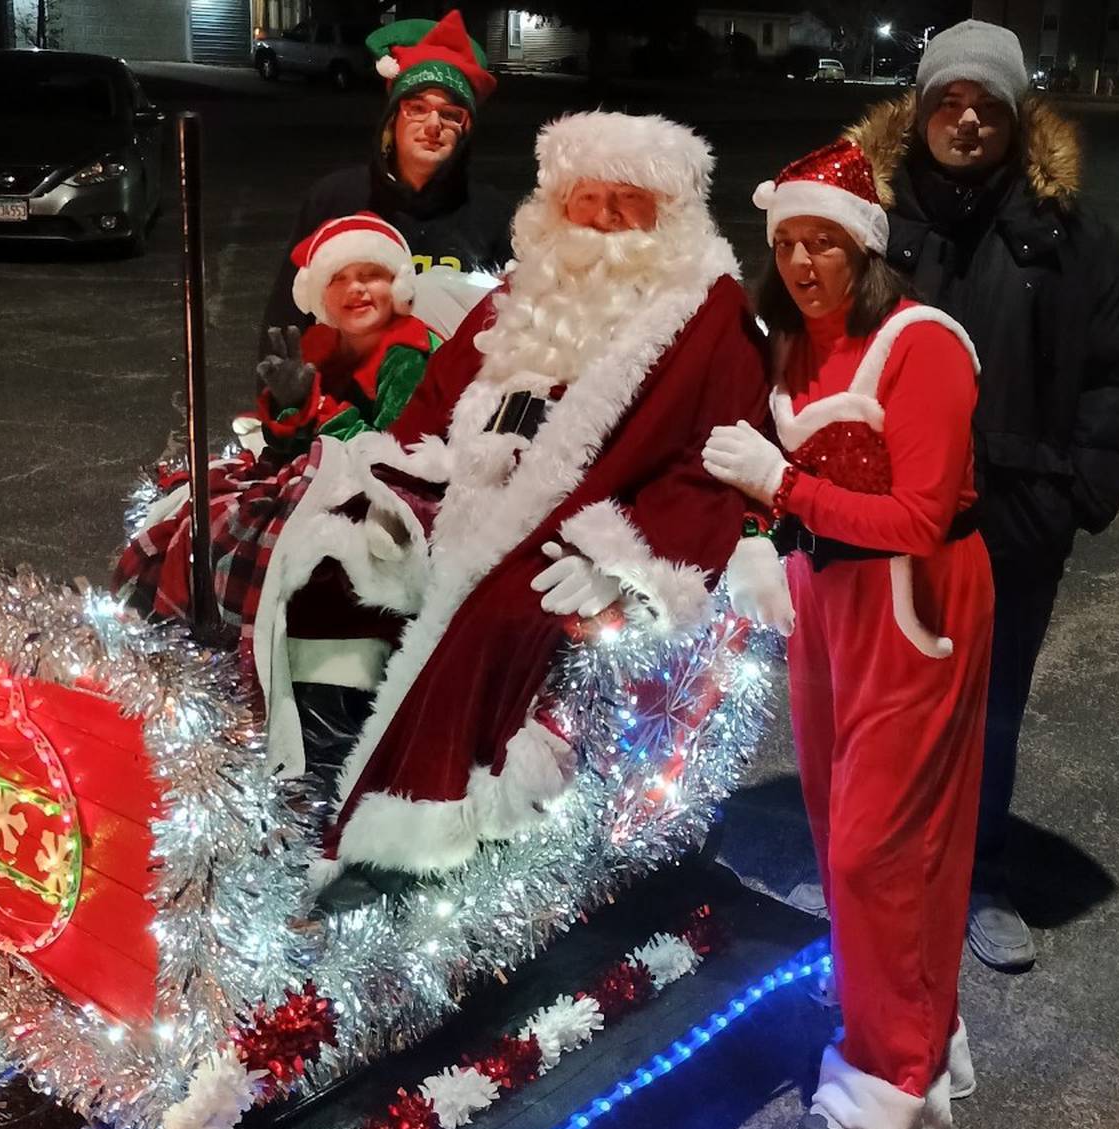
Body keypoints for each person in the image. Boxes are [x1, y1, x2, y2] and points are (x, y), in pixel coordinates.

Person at [303, 111, 770, 883]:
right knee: (325, 559)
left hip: (568, 533)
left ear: (671, 215)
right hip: (463, 501)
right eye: (589, 198)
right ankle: (308, 777)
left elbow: (712, 464)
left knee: (502, 618)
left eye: (632, 199)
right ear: (558, 205)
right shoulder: (526, 290)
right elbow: (433, 403)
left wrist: (626, 556)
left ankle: (418, 845)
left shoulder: (711, 312)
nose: (607, 217)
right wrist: (384, 473)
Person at [847, 20, 1119, 971]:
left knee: (988, 713)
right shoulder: (863, 218)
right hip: (876, 529)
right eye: (948, 99)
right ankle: (873, 872)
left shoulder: (1064, 236)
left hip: (1007, 531)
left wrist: (1071, 489)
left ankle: (976, 876)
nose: (966, 119)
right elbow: (796, 341)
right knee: (877, 707)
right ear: (919, 110)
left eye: (987, 104)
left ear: (1014, 117)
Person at [701, 139, 992, 1129]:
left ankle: (891, 1085)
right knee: (842, 837)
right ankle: (918, 1029)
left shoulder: (922, 345)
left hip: (914, 602)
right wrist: (769, 544)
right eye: (788, 244)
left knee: (882, 851)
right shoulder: (788, 343)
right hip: (827, 600)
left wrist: (780, 492)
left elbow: (916, 516)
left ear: (864, 250)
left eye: (826, 243)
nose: (805, 263)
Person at [114, 212, 442, 772]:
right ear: (320, 293)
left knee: (267, 532)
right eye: (340, 279)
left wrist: (313, 411)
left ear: (400, 285)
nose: (358, 289)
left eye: (374, 275)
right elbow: (292, 436)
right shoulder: (319, 344)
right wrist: (294, 407)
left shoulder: (408, 352)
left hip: (389, 494)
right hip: (330, 471)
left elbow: (388, 448)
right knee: (209, 505)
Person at [259, 10, 513, 359]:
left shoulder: (494, 214)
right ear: (393, 119)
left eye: (452, 115)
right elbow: (286, 322)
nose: (434, 124)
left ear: (465, 130)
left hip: (451, 406)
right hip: (344, 401)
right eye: (418, 108)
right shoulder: (335, 199)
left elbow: (516, 332)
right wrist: (285, 401)